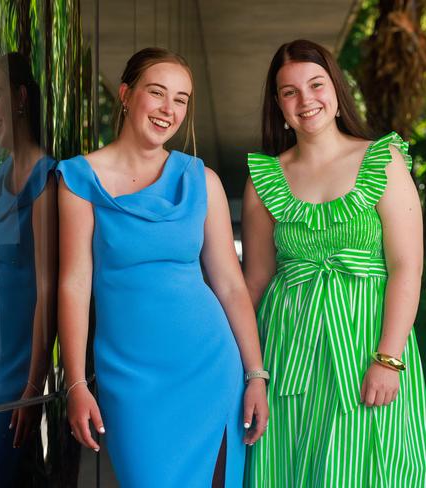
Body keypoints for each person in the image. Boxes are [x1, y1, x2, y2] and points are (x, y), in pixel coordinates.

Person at [57, 47, 268, 487]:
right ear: (126, 95)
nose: (168, 110)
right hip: (130, 382)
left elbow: (230, 285)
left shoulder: (201, 179)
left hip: (210, 368)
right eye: (157, 93)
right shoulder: (79, 179)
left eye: (181, 99)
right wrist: (76, 383)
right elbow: (74, 284)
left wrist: (255, 375)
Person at [242, 39, 426, 487]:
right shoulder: (265, 180)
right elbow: (255, 280)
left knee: (375, 467)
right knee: (289, 466)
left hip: (369, 342)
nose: (306, 100)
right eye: (290, 92)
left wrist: (389, 358)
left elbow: (407, 266)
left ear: (336, 88)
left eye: (316, 84)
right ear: (278, 105)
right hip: (289, 350)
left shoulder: (381, 160)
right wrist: (232, 360)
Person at [0, 52, 57, 487]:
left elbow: (49, 290)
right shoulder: (0, 176)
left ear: (21, 98)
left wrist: (34, 386)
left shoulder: (46, 177)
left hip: (19, 374)